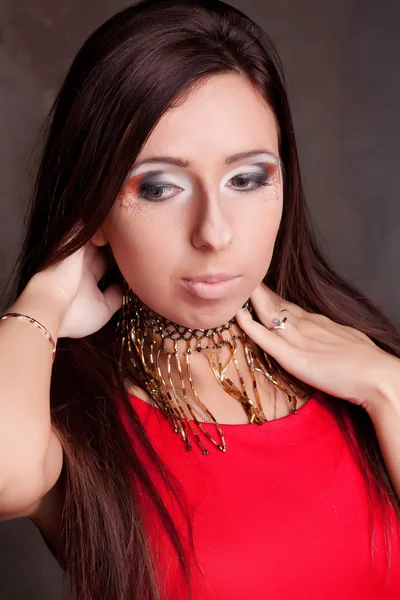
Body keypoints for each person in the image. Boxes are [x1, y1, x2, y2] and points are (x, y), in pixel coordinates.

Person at [0, 0, 399, 598]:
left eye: (247, 179)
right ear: (96, 203)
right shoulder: (66, 410)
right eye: (160, 186)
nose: (214, 232)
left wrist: (387, 385)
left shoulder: (354, 363)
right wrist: (45, 298)